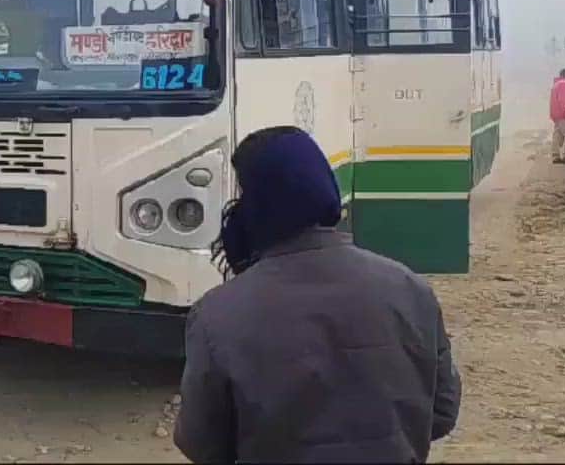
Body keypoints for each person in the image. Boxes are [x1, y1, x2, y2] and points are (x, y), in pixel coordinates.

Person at [174, 126, 462, 464]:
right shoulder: (411, 289)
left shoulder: (217, 315)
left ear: (256, 206)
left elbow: (201, 444)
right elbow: (441, 412)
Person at [550, 67, 565, 164]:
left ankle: (555, 156)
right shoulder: (564, 85)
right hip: (562, 115)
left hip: (555, 115)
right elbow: (564, 101)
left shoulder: (555, 85)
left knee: (557, 135)